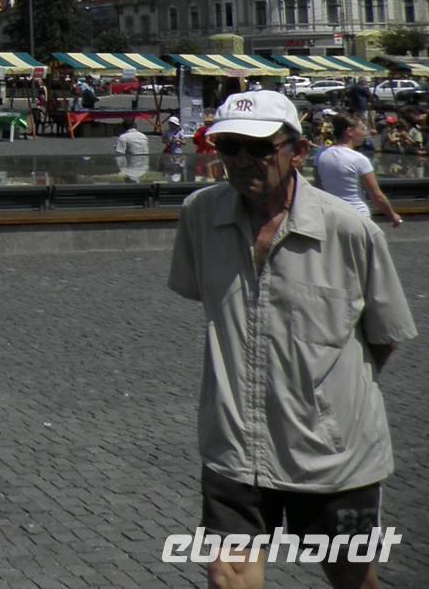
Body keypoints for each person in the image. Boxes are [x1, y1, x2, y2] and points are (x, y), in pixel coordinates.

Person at [168, 91, 417, 589]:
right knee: (226, 576)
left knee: (352, 580)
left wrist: (325, 397)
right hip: (234, 445)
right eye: (229, 147)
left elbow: (384, 336)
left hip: (332, 453)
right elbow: (206, 297)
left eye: (258, 148)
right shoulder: (200, 214)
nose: (240, 161)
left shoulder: (350, 229)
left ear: (298, 150)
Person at [314, 113, 403, 228]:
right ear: (350, 131)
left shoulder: (321, 154)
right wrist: (392, 215)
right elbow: (376, 195)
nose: (365, 133)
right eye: (362, 129)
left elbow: (318, 187)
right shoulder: (359, 159)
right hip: (357, 216)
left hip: (331, 216)